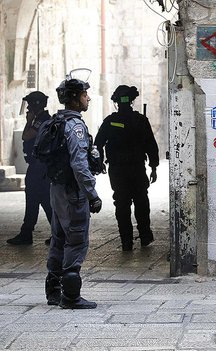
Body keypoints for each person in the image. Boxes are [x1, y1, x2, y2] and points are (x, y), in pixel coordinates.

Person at [44, 71, 102, 309]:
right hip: (72, 192)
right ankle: (70, 296)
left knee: (59, 238)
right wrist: (92, 194)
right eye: (85, 94)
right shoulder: (75, 126)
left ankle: (53, 291)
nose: (88, 98)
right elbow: (79, 164)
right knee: (76, 240)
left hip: (57, 190)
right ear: (75, 98)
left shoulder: (56, 122)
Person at [94, 85, 159, 251]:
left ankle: (126, 241)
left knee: (122, 204)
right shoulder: (140, 120)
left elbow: (98, 143)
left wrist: (100, 162)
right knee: (141, 202)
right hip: (137, 169)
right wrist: (153, 167)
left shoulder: (110, 121)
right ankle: (145, 236)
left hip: (118, 170)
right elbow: (151, 145)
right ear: (131, 101)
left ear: (116, 102)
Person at [7, 91, 53, 245]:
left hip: (39, 168)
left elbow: (26, 136)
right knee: (39, 199)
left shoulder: (41, 120)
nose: (28, 108)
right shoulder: (43, 119)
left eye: (29, 104)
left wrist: (29, 121)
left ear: (35, 105)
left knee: (40, 199)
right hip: (39, 167)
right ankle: (28, 232)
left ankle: (32, 233)